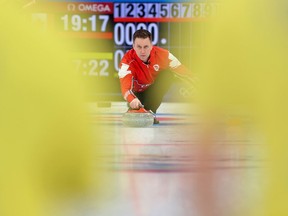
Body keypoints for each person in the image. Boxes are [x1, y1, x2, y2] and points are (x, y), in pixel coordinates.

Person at [118, 29, 193, 124]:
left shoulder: (164, 55)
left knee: (167, 75)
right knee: (133, 104)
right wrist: (132, 99)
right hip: (136, 94)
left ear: (151, 46)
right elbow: (125, 87)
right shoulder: (126, 61)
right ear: (133, 46)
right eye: (139, 47)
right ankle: (136, 108)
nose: (142, 51)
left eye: (146, 47)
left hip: (152, 91)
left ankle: (150, 110)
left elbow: (183, 71)